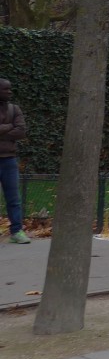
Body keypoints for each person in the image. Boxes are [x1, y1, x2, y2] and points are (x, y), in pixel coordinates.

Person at [0, 79, 31, 244]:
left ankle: (17, 231)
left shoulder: (14, 109)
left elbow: (21, 131)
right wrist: (8, 127)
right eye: (6, 89)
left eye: (10, 89)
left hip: (9, 160)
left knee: (14, 199)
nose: (9, 92)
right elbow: (14, 129)